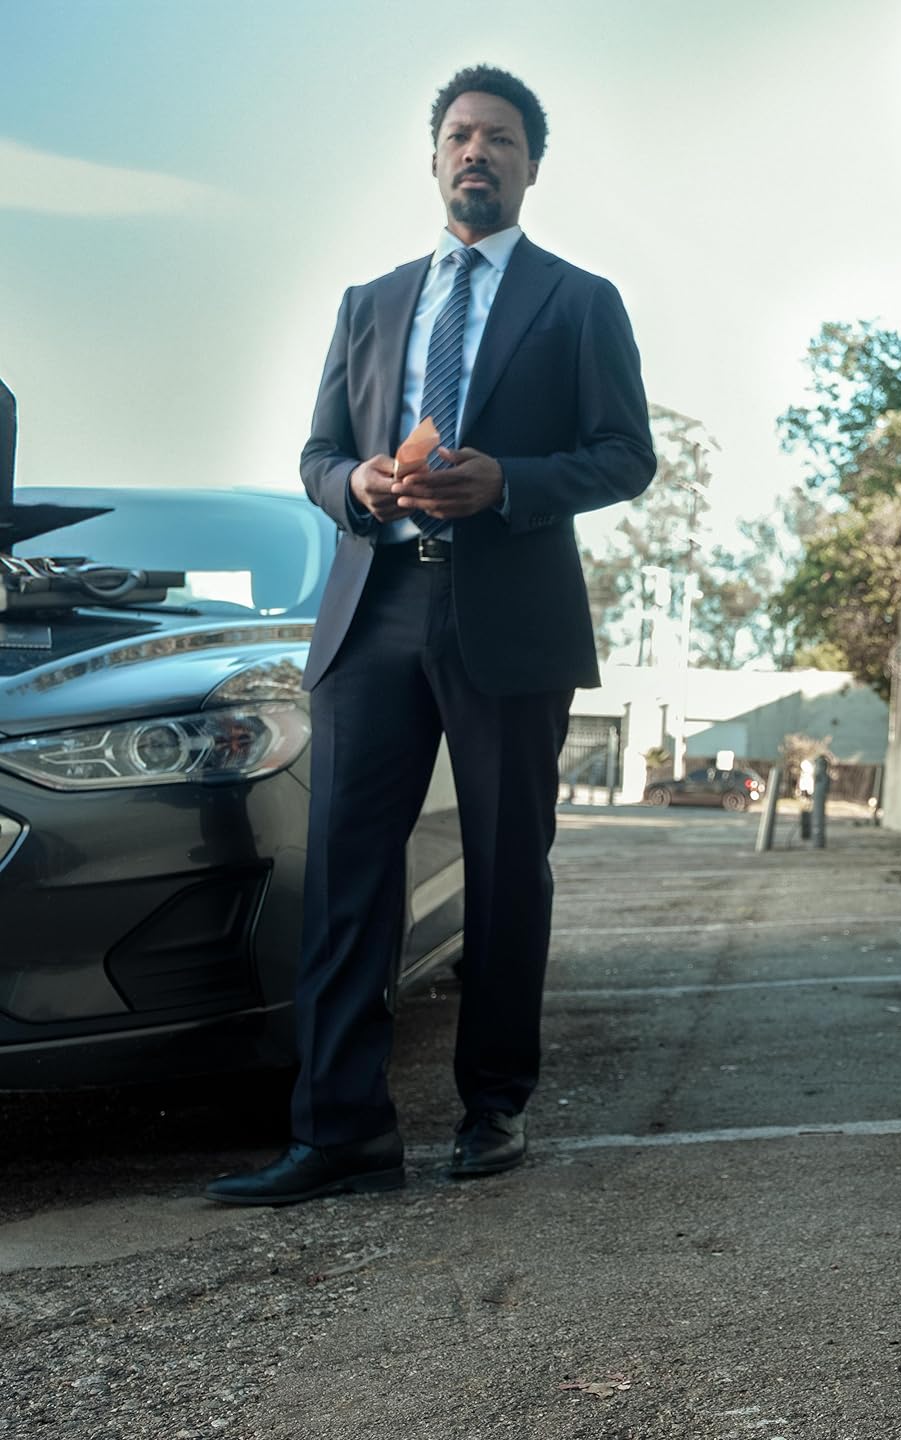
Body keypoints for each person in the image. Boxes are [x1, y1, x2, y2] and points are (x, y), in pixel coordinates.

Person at [209, 66, 655, 1206]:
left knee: (506, 870)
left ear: (531, 164)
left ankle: (492, 1107)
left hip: (508, 618)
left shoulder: (579, 300)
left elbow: (625, 455)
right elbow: (316, 455)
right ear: (436, 158)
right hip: (374, 613)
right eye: (459, 135)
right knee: (347, 877)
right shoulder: (370, 302)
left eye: (499, 137)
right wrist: (354, 484)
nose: (476, 152)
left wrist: (512, 483)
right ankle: (340, 1134)